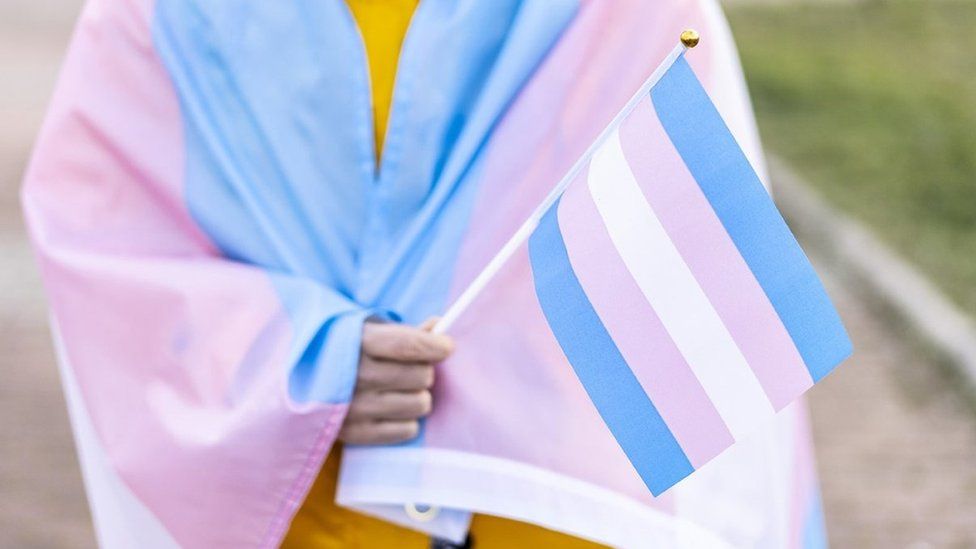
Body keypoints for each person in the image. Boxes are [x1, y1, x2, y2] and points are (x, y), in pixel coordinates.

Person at [23, 0, 826, 547]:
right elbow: (103, 236)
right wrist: (299, 357)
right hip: (307, 511)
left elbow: (683, 239)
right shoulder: (162, 13)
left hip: (540, 510)